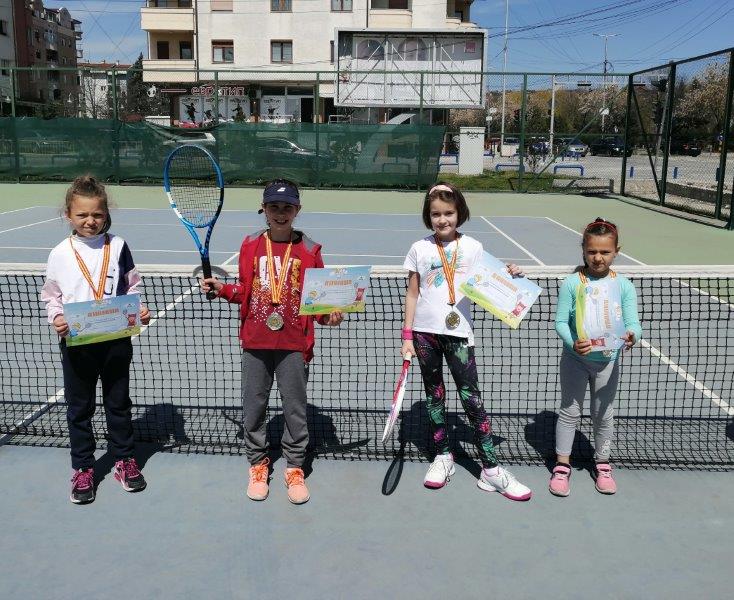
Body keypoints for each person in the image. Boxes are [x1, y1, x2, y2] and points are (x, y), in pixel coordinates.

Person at [202, 179, 343, 505]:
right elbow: (244, 290)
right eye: (274, 206)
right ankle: (257, 464)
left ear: (297, 210)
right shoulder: (250, 245)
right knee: (254, 405)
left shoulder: (310, 250)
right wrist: (222, 289)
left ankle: (294, 467)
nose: (281, 213)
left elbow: (318, 303)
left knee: (295, 408)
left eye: (287, 207)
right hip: (256, 341)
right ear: (263, 209)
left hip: (294, 343)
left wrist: (330, 317)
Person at [400, 182, 532, 501]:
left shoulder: (472, 247)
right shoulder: (419, 249)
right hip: (424, 335)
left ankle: (490, 470)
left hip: (459, 334)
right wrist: (407, 336)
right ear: (428, 216)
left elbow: (493, 278)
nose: (442, 219)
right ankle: (443, 456)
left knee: (471, 398)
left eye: (448, 213)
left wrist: (512, 272)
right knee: (434, 395)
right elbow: (413, 293)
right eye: (435, 214)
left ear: (459, 212)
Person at [41, 175, 151, 504]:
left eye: (97, 214)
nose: (90, 221)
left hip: (115, 341)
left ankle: (124, 460)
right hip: (77, 344)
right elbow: (51, 295)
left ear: (106, 214)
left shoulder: (118, 246)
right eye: (82, 215)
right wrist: (56, 318)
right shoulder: (59, 253)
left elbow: (132, 286)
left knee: (118, 404)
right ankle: (83, 468)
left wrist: (139, 309)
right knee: (79, 408)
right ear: (68, 215)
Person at [550, 217, 642, 497]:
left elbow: (633, 323)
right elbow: (560, 322)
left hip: (608, 363)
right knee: (570, 411)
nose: (598, 257)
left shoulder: (624, 286)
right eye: (592, 251)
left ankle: (602, 464)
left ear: (616, 252)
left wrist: (632, 336)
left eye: (605, 252)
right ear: (583, 250)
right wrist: (573, 343)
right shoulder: (572, 283)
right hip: (575, 360)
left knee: (603, 414)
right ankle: (562, 466)